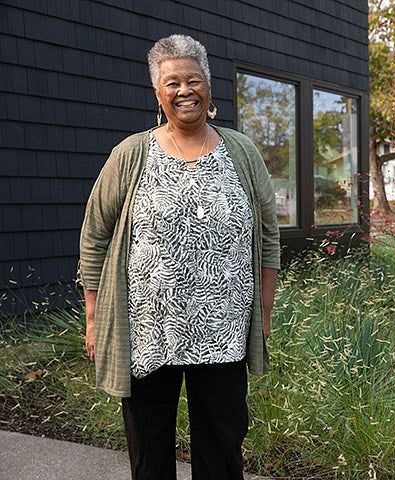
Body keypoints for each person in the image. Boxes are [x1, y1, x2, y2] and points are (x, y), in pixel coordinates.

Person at [78, 34, 280, 480]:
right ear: (157, 92)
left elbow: (268, 236)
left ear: (209, 86)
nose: (184, 90)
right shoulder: (131, 154)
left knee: (223, 445)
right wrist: (93, 319)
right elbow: (94, 236)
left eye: (193, 80)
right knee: (150, 451)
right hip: (147, 330)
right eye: (172, 82)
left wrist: (262, 313)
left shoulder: (241, 152)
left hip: (223, 329)